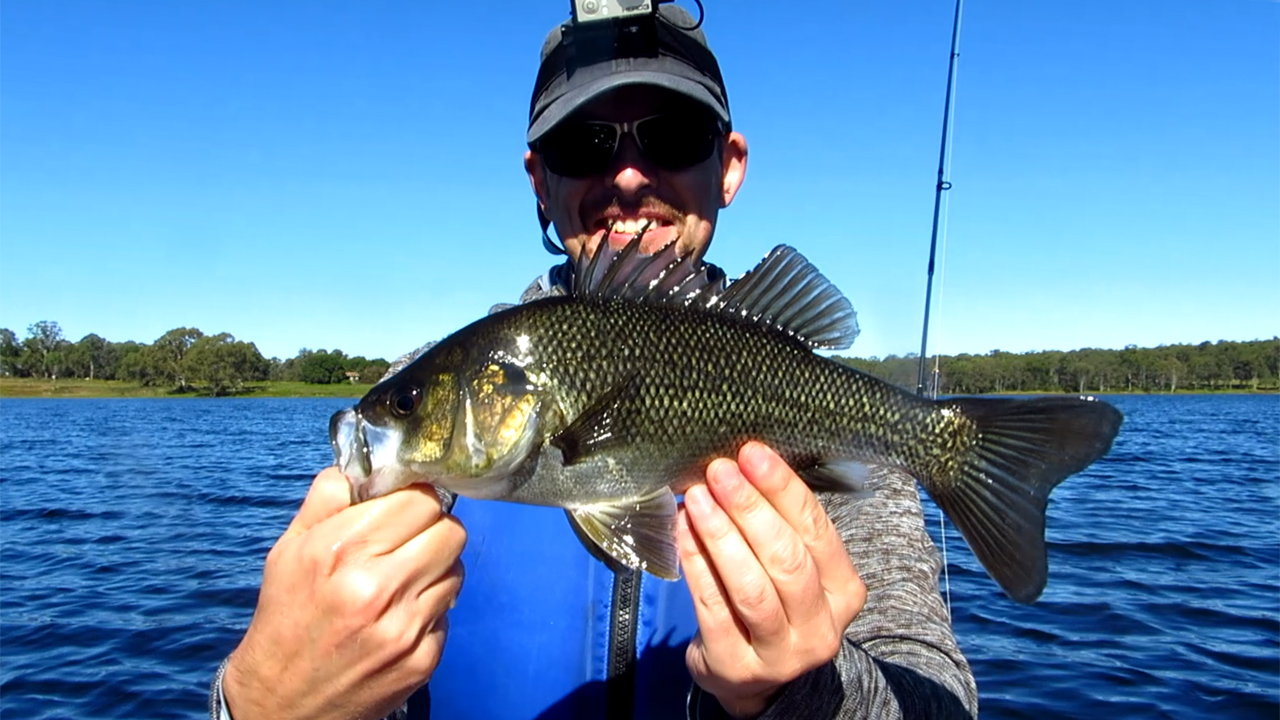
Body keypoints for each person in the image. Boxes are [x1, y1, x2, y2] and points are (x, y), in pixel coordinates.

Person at [211, 6, 978, 719]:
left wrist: (801, 693)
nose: (630, 176)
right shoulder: (422, 406)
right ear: (540, 181)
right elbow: (316, 651)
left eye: (673, 135)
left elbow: (938, 697)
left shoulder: (827, 411)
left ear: (730, 165)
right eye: (585, 144)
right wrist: (260, 701)